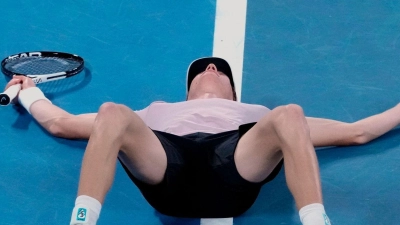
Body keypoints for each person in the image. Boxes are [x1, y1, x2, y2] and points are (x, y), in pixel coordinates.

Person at [5, 57, 400, 225]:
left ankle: (316, 221)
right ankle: (82, 221)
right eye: (204, 67)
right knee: (112, 112)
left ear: (233, 90)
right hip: (168, 167)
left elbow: (359, 130)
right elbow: (61, 123)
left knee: (289, 114)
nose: (212, 66)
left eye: (219, 68)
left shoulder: (257, 117)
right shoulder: (152, 112)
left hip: (233, 167)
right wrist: (28, 93)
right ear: (187, 87)